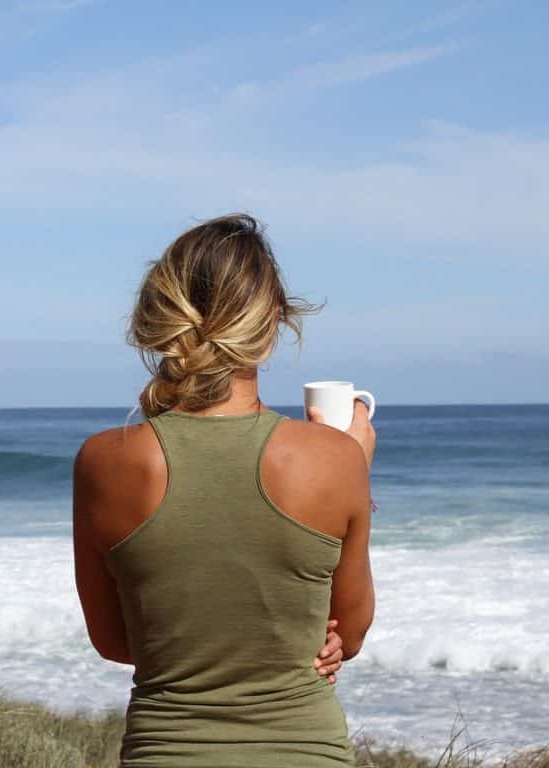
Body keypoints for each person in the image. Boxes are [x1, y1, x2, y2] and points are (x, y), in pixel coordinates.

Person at [73, 213, 376, 767]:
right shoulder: (336, 458)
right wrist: (353, 467)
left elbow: (116, 643)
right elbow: (347, 636)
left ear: (159, 313)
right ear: (275, 321)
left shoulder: (104, 460)